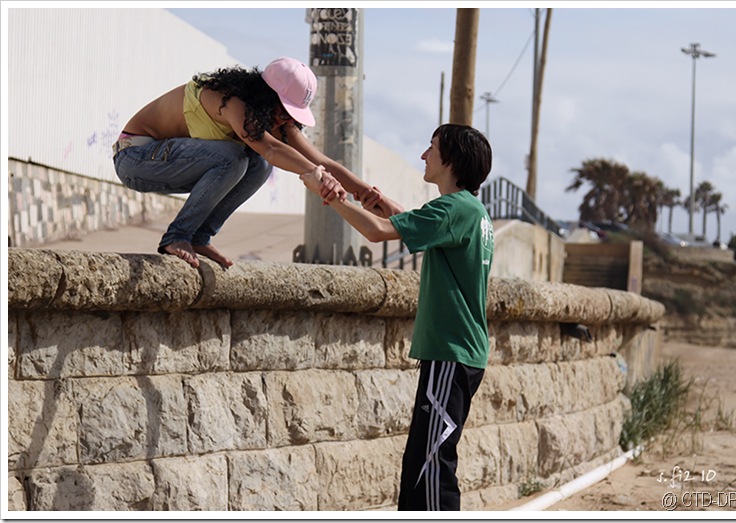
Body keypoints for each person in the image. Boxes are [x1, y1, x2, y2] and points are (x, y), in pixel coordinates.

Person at [301, 123, 494, 511]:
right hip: (457, 356)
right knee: (421, 465)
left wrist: (332, 196)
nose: (424, 155)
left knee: (431, 468)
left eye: (432, 148)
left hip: (450, 355)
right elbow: (411, 223)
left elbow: (376, 233)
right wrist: (381, 202)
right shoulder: (470, 211)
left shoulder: (454, 209)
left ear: (451, 160)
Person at [112, 57, 402, 268]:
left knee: (259, 164)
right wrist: (317, 177)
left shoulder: (275, 120)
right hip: (135, 157)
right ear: (266, 95)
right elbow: (273, 149)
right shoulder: (229, 101)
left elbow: (321, 160)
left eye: (292, 115)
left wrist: (370, 195)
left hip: (165, 162)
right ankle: (177, 236)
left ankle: (200, 236)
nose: (286, 120)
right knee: (235, 158)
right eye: (284, 111)